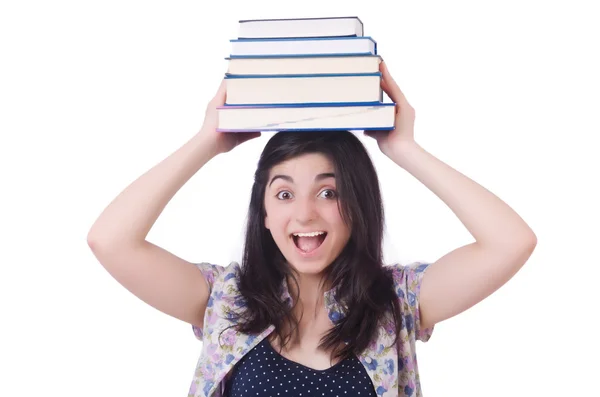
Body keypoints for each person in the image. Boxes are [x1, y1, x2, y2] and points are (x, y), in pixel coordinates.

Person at [87, 61, 537, 397]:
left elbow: (510, 242)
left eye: (328, 193)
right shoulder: (223, 299)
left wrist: (404, 149)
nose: (304, 215)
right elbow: (110, 240)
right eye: (284, 194)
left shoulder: (397, 301)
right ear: (262, 213)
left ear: (358, 205)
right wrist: (207, 141)